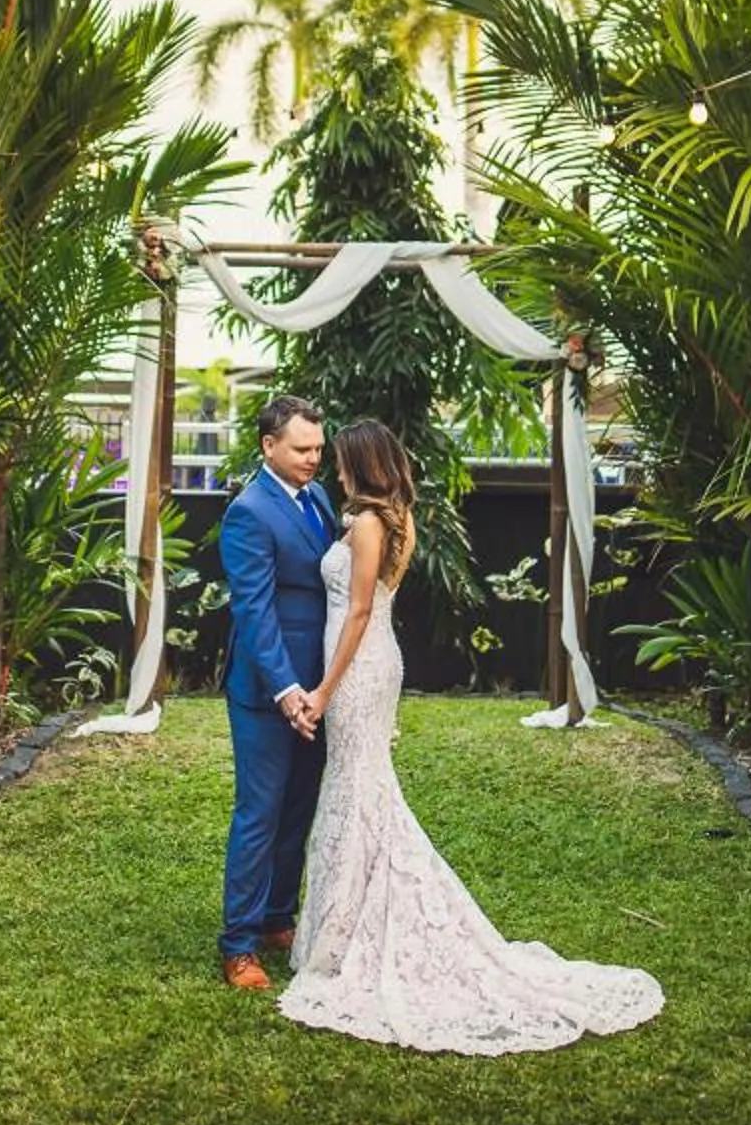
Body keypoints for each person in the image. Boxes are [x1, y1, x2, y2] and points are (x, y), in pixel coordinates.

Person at [275, 418, 664, 1054]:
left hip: (360, 666)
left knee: (361, 790)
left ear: (361, 464)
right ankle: (343, 925)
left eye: (340, 459)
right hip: (369, 663)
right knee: (360, 788)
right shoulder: (383, 518)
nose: (333, 467)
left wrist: (323, 688)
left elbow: (361, 609)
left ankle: (357, 927)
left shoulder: (370, 525)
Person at [216, 395, 335, 990]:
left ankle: (277, 918)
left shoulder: (318, 498)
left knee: (298, 810)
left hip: (321, 687)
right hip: (269, 693)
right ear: (269, 446)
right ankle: (238, 944)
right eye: (302, 449)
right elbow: (256, 613)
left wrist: (324, 687)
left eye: (318, 448)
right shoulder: (249, 512)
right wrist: (288, 690)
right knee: (260, 814)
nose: (315, 458)